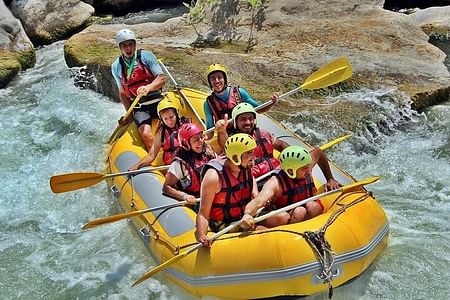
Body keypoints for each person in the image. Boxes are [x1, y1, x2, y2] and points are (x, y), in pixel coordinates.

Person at [241, 145, 341, 230]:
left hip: (306, 206)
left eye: (308, 167)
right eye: (304, 169)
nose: (308, 170)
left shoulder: (305, 164)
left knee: (313, 206)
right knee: (299, 212)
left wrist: (330, 178)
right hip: (286, 214)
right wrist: (247, 213)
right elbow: (258, 201)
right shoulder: (275, 183)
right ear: (290, 171)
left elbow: (318, 152)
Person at [196, 133, 259, 247]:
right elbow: (203, 214)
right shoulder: (213, 177)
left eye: (253, 152)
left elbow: (256, 197)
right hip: (223, 222)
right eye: (249, 153)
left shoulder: (246, 166)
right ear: (235, 157)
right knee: (260, 231)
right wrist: (202, 235)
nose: (254, 157)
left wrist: (249, 213)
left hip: (244, 215)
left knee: (281, 218)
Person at [111, 29, 167, 151]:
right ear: (120, 47)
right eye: (124, 45)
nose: (128, 48)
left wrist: (148, 87)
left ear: (135, 44)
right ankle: (155, 161)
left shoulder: (146, 56)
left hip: (157, 100)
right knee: (146, 133)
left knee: (169, 126)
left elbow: (161, 79)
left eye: (131, 44)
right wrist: (129, 115)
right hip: (139, 106)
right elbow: (122, 93)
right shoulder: (116, 66)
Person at [216, 102, 290, 178]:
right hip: (255, 180)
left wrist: (290, 158)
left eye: (250, 119)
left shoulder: (263, 134)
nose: (248, 122)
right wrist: (222, 131)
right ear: (235, 122)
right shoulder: (234, 141)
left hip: (276, 173)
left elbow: (282, 145)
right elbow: (225, 147)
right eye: (243, 119)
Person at [203, 63, 278, 136]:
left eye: (219, 77)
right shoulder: (208, 103)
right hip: (227, 135)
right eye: (213, 78)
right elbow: (210, 131)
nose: (216, 81)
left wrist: (272, 103)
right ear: (210, 82)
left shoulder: (239, 92)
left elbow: (259, 109)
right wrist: (203, 136)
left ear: (224, 79)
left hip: (245, 129)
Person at [162, 123, 217, 211]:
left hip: (215, 194)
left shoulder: (208, 151)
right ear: (186, 143)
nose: (201, 141)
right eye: (196, 139)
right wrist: (184, 196)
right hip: (198, 200)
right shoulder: (179, 164)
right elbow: (166, 188)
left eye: (201, 137)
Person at [129, 97, 182, 170]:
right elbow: (151, 156)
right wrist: (136, 166)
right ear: (161, 119)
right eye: (165, 119)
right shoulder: (161, 132)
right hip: (172, 168)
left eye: (171, 117)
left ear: (177, 114)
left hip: (187, 165)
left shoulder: (185, 127)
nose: (169, 121)